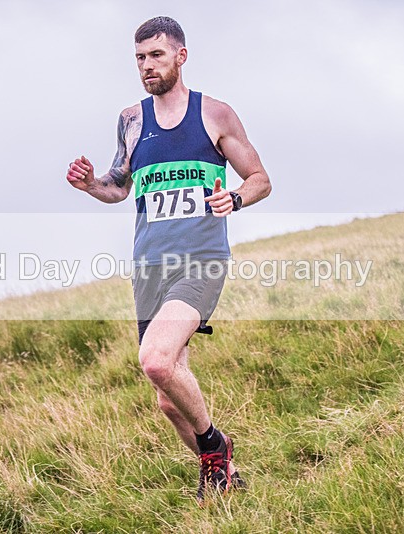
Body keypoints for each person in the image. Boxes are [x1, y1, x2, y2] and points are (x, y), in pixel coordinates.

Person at [66, 16, 271, 504]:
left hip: (200, 259)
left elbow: (260, 178)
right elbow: (120, 186)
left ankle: (215, 450)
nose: (146, 66)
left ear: (181, 55)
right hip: (149, 268)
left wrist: (235, 200)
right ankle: (224, 476)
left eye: (156, 55)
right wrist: (92, 184)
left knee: (156, 361)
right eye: (139, 58)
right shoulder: (132, 120)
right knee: (166, 394)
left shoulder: (215, 115)